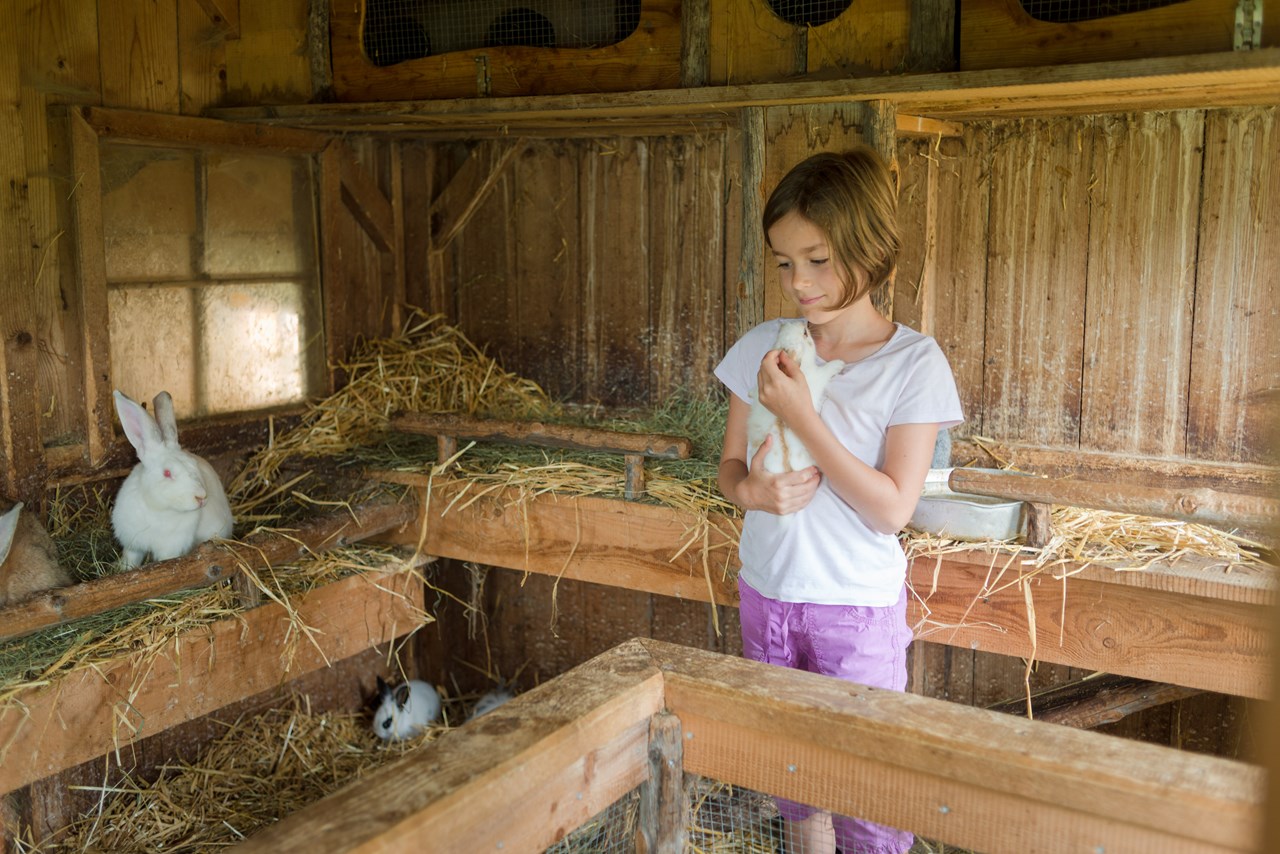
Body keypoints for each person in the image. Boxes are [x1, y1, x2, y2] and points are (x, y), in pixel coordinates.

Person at [715, 147, 963, 854]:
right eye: (785, 262)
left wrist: (802, 416)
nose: (800, 282)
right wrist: (752, 493)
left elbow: (891, 509)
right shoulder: (765, 348)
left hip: (854, 607)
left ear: (870, 252)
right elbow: (729, 472)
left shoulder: (913, 363)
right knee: (794, 776)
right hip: (766, 591)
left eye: (818, 259)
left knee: (870, 789)